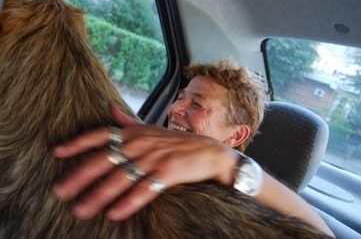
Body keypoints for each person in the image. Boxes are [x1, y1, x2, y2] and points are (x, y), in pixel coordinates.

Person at [53, 60, 335, 237]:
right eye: (180, 98)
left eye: (197, 104)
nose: (175, 108)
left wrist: (226, 162)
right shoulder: (142, 155)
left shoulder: (241, 215)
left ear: (237, 134)